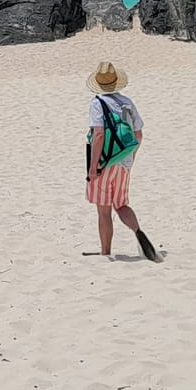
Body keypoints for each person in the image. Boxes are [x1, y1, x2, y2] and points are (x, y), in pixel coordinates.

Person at [86, 60, 160, 262]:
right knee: (121, 205)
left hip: (105, 162)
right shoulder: (127, 102)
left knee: (104, 211)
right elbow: (139, 135)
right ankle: (139, 234)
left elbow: (99, 135)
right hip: (124, 162)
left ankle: (105, 251)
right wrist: (130, 158)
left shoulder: (97, 103)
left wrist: (93, 167)